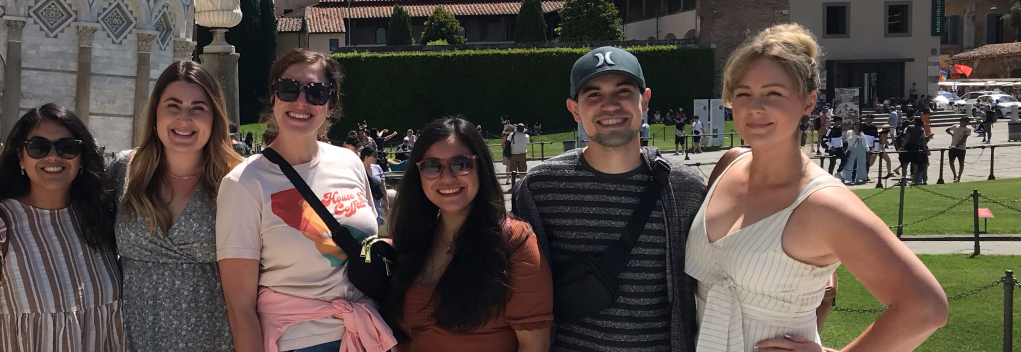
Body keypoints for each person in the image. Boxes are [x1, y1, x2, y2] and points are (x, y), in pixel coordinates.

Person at [690, 23, 947, 351]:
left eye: (774, 93)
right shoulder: (728, 166)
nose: (755, 106)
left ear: (808, 102)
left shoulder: (824, 203)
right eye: (743, 93)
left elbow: (926, 307)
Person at [511, 46, 708, 352]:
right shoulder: (540, 190)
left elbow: (722, 287)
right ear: (574, 109)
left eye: (623, 91)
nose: (610, 105)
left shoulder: (685, 189)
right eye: (593, 95)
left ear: (644, 101)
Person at [216, 48, 396, 352]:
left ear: (330, 102)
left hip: (368, 334)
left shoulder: (350, 163)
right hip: (298, 342)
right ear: (273, 97)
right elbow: (240, 307)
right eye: (288, 89)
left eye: (316, 92)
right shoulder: (244, 183)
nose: (301, 101)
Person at [0, 103, 123, 351]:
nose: (53, 156)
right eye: (38, 147)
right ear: (21, 158)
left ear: (82, 159)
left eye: (68, 148)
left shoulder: (99, 220)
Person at [108, 61, 244, 351]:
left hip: (216, 341)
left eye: (198, 108)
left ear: (214, 117)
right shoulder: (124, 171)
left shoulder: (239, 180)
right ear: (156, 113)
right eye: (173, 105)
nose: (185, 119)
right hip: (135, 339)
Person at [385, 117, 553, 352]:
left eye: (461, 163)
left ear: (481, 167)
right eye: (432, 165)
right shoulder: (413, 240)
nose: (447, 177)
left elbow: (534, 346)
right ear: (419, 173)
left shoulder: (514, 241)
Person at [946, 117, 972, 182]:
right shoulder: (955, 126)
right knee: (951, 161)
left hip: (961, 148)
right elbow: (947, 130)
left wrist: (956, 145)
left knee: (961, 163)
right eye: (965, 121)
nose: (966, 123)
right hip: (952, 146)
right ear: (961, 121)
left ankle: (959, 176)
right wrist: (952, 135)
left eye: (967, 122)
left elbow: (964, 139)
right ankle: (954, 175)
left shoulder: (968, 129)